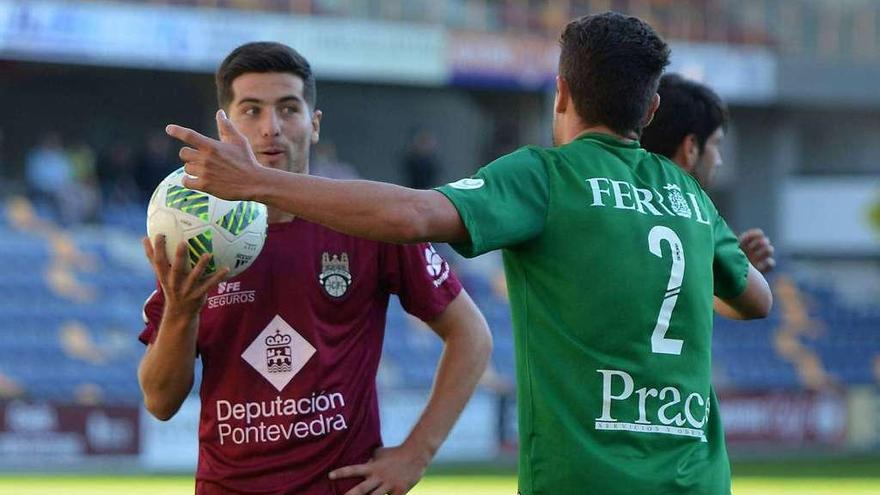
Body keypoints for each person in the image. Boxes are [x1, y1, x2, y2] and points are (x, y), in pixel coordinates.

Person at [166, 13, 773, 495]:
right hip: (698, 479)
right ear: (650, 109)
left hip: (586, 480)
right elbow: (755, 299)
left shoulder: (545, 177)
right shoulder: (690, 196)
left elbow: (414, 216)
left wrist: (259, 182)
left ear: (560, 93)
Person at [139, 42, 492, 495]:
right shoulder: (193, 234)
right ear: (224, 127)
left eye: (288, 109)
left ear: (315, 123)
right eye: (250, 111)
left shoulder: (366, 219)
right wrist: (182, 312)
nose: (270, 129)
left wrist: (415, 454)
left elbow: (472, 335)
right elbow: (160, 401)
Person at [641, 73, 776, 273]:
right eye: (716, 144)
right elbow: (761, 302)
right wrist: (737, 275)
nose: (719, 160)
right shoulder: (698, 218)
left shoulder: (616, 201)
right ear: (691, 148)